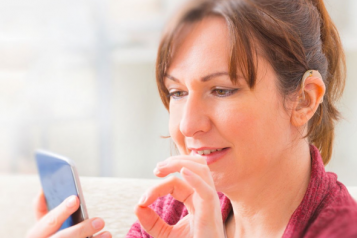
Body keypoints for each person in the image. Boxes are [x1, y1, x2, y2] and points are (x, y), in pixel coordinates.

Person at [27, 0, 357, 237]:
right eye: (177, 93)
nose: (186, 126)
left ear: (304, 99)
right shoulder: (173, 211)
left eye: (222, 90)